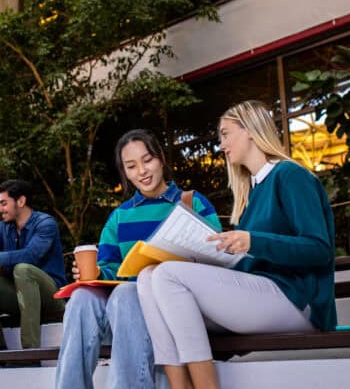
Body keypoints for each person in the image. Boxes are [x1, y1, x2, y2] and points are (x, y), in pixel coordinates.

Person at [136, 100, 337, 389]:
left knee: (167, 275)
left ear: (250, 131)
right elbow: (247, 262)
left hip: (295, 301)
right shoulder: (253, 192)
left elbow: (319, 250)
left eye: (225, 134)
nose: (221, 144)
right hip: (259, 297)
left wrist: (252, 241)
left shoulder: (290, 175)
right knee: (148, 277)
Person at [55, 129, 221, 389]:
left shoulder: (191, 203)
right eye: (131, 166)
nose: (141, 171)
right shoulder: (120, 217)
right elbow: (111, 270)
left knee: (127, 293)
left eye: (147, 160)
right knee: (81, 297)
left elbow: (218, 259)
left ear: (161, 159)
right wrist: (96, 274)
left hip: (173, 310)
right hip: (124, 318)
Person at [0, 179, 67, 350]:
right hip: (19, 295)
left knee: (23, 269)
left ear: (21, 201)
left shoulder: (45, 223)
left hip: (52, 296)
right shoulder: (2, 228)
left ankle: (30, 351)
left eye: (3, 203)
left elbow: (31, 255)